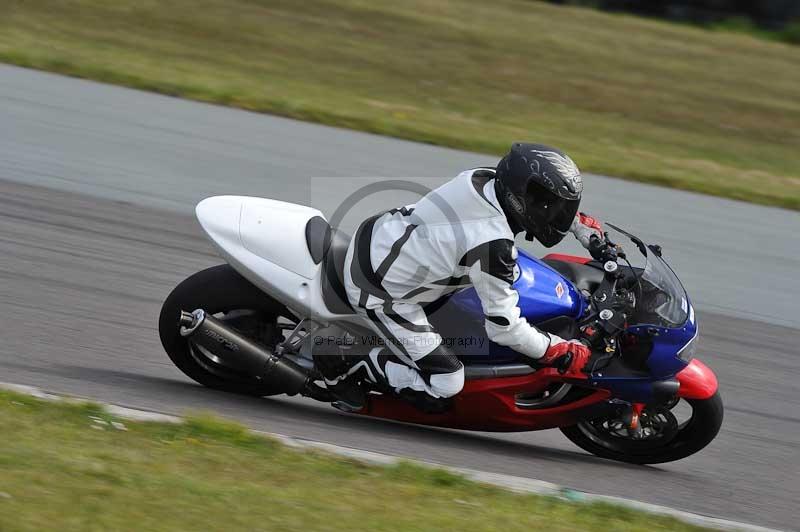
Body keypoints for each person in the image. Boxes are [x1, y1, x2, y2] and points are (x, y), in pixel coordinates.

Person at [317, 142, 605, 412]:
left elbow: (540, 205)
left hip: (385, 235)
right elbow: (504, 329)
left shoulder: (487, 179)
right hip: (379, 289)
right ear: (522, 196)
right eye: (548, 204)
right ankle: (346, 360)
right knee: (447, 382)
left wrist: (583, 229)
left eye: (559, 206)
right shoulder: (493, 244)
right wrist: (560, 350)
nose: (554, 212)